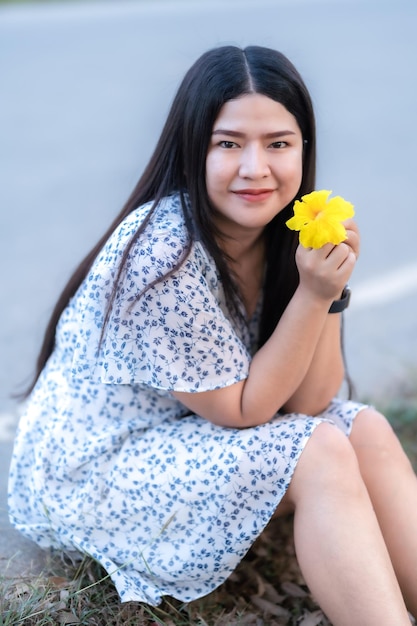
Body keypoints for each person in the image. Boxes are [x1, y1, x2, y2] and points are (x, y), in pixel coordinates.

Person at [8, 45, 417, 624]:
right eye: (228, 144)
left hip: (188, 432)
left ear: (305, 149)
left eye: (278, 143)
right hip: (95, 472)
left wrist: (331, 290)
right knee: (319, 449)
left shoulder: (286, 228)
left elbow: (309, 399)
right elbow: (243, 410)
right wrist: (314, 294)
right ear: (193, 148)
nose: (256, 168)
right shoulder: (162, 254)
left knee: (365, 428)